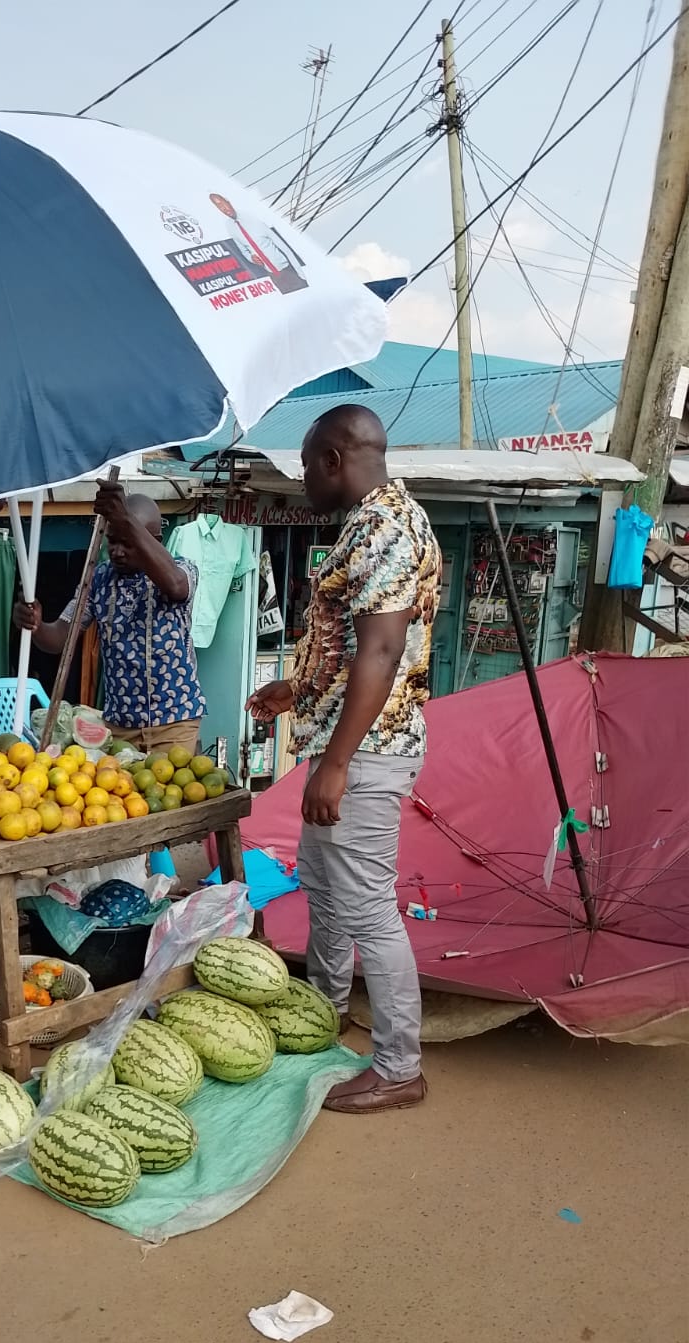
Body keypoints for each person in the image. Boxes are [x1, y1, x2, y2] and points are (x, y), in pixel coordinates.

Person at [246, 404, 441, 1114]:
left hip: (363, 756)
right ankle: (323, 1012)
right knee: (326, 895)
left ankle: (398, 1067)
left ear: (333, 458)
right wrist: (292, 689)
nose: (304, 481)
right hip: (344, 748)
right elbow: (345, 649)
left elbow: (382, 653)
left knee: (366, 909)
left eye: (305, 466)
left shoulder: (386, 527)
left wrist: (335, 763)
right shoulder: (372, 523)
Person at [12, 480, 206, 757]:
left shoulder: (182, 570)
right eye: (112, 541)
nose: (117, 551)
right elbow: (59, 640)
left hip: (174, 721)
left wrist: (125, 518)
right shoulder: (98, 578)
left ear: (155, 541)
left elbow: (175, 587)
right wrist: (36, 625)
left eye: (128, 543)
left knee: (174, 795)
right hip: (120, 725)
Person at [208, 193, 308, 292]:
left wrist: (301, 275)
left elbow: (284, 248)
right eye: (219, 206)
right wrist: (251, 258)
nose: (223, 209)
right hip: (273, 276)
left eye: (222, 203)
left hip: (288, 270)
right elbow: (244, 251)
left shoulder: (251, 216)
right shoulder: (230, 227)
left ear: (228, 201)